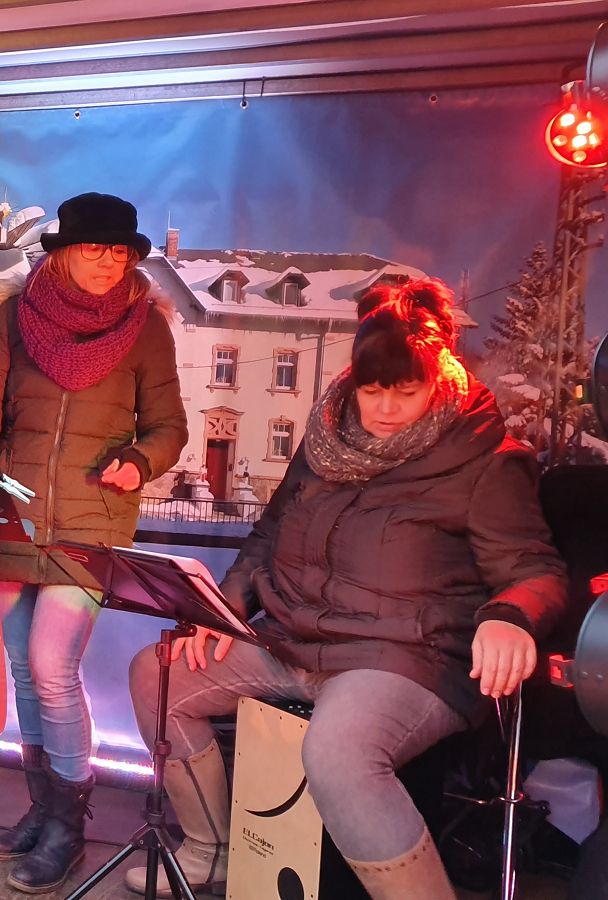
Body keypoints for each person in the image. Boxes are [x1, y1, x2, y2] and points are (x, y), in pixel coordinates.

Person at [125, 278, 568, 898]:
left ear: (437, 378)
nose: (385, 408)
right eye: (371, 390)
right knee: (158, 675)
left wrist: (510, 616)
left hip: (406, 657)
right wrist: (222, 609)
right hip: (293, 639)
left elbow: (533, 570)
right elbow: (267, 535)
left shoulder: (485, 458)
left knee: (337, 754)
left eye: (405, 392)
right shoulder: (325, 439)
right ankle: (211, 846)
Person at [0, 192, 188, 893]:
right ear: (61, 253)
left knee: (52, 664)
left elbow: (170, 428)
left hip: (93, 520)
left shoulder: (147, 329)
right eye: (95, 247)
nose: (109, 261)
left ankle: (68, 828)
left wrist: (139, 461)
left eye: (120, 251)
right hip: (14, 513)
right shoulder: (13, 320)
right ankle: (42, 808)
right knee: (24, 669)